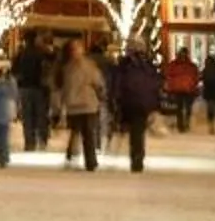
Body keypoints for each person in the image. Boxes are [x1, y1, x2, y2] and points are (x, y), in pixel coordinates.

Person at [57, 36, 109, 171]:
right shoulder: (88, 66)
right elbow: (99, 83)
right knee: (88, 135)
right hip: (87, 104)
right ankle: (90, 162)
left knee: (76, 133)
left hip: (75, 105)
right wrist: (101, 95)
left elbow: (62, 87)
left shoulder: (66, 67)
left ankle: (71, 158)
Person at [111, 45, 166, 173]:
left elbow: (118, 85)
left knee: (133, 133)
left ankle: (135, 157)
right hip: (143, 104)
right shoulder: (149, 68)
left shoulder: (123, 68)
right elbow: (156, 85)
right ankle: (138, 158)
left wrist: (115, 102)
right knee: (138, 133)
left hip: (129, 103)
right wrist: (155, 104)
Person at [11, 31, 53, 153]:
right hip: (39, 88)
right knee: (40, 115)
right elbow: (52, 60)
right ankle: (42, 140)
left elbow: (14, 70)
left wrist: (21, 79)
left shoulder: (20, 54)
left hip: (24, 88)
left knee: (27, 116)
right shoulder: (41, 53)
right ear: (35, 39)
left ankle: (29, 142)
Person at [163, 44, 203, 133]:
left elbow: (168, 75)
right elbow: (196, 77)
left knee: (183, 109)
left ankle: (183, 125)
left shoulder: (177, 65)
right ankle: (182, 125)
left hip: (185, 89)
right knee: (181, 109)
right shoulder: (190, 65)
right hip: (182, 89)